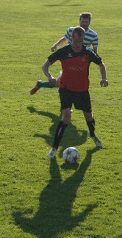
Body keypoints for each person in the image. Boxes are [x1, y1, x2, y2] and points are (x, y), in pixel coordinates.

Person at [41, 27, 108, 158]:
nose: (78, 43)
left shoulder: (87, 52)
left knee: (89, 117)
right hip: (66, 89)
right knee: (66, 117)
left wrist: (104, 78)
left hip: (82, 90)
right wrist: (49, 77)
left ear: (83, 39)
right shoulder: (64, 52)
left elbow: (101, 64)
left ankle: (92, 135)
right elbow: (45, 66)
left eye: (81, 40)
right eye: (76, 40)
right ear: (71, 38)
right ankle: (54, 148)